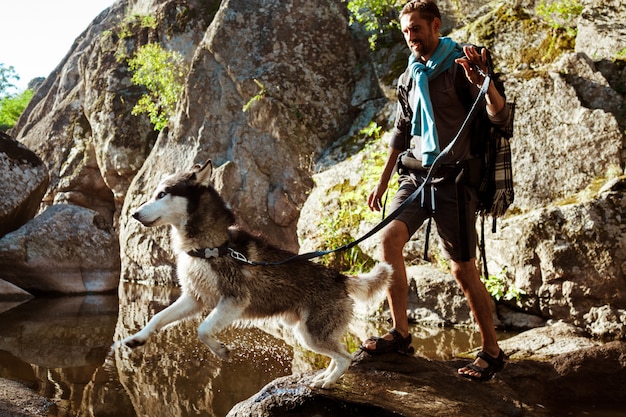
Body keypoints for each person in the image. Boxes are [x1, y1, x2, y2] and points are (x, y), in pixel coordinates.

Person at [360, 0, 510, 382]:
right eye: (406, 31)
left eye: (416, 29)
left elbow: (499, 114)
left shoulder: (464, 63)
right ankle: (401, 333)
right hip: (415, 177)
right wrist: (382, 179)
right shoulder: (409, 75)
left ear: (435, 26)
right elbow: (401, 130)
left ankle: (492, 352)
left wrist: (485, 83)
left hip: (455, 180)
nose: (411, 37)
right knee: (388, 241)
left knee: (462, 270)